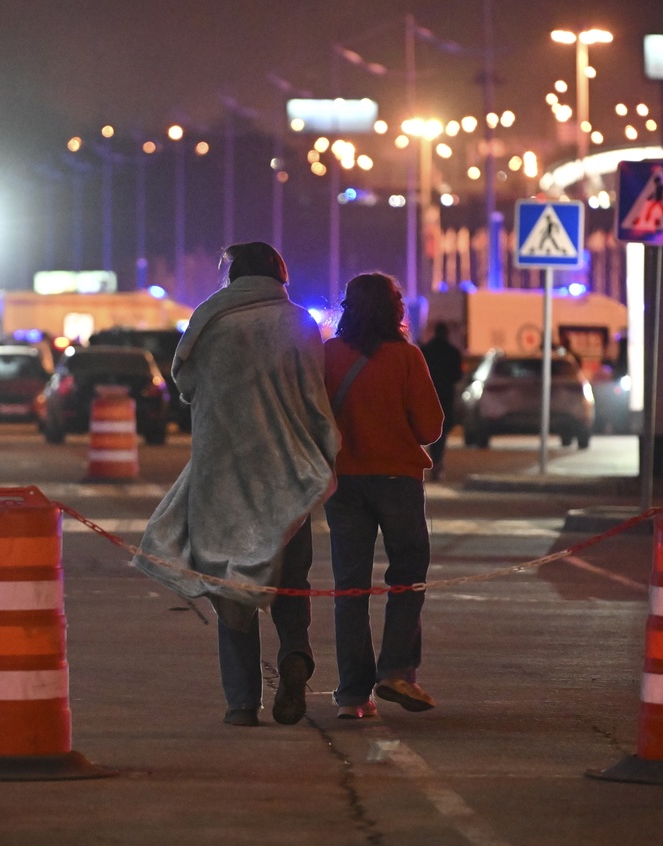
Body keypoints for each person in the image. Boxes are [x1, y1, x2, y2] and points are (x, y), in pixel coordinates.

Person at [132, 242, 339, 728]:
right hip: (290, 474)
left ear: (234, 276)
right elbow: (314, 396)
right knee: (291, 582)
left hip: (223, 477)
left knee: (231, 587)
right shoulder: (299, 324)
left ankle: (242, 703)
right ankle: (295, 655)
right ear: (279, 276)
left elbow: (185, 385)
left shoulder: (210, 322)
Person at [324, 273, 444, 720]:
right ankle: (396, 671)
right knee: (407, 575)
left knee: (349, 587)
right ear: (396, 309)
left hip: (344, 481)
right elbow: (430, 428)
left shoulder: (328, 356)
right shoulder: (407, 358)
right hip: (398, 481)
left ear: (347, 307)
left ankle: (353, 696)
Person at [419, 321, 462, 481]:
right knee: (442, 431)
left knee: (429, 428)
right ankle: (437, 461)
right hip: (445, 396)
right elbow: (457, 375)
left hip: (429, 395)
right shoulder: (453, 352)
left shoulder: (426, 350)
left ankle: (434, 460)